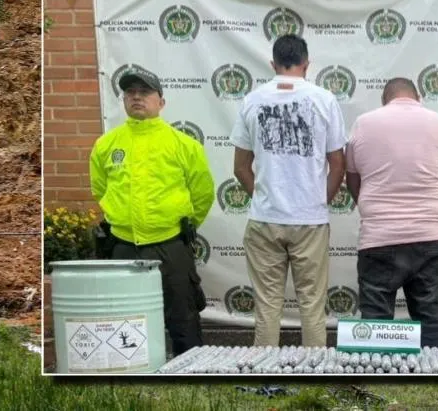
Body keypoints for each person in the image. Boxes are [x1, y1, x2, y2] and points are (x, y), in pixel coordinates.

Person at [230, 34, 347, 348]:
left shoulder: (252, 100)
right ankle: (314, 375)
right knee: (312, 303)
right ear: (307, 64)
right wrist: (320, 201)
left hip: (265, 219)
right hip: (310, 220)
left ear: (273, 64)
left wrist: (265, 197)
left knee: (267, 305)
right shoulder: (324, 99)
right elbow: (338, 164)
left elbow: (240, 167)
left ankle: (266, 373)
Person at [90, 68, 215, 356]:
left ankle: (193, 377)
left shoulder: (184, 145)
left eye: (144, 92)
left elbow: (203, 193)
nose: (136, 97)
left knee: (183, 317)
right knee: (124, 318)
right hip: (121, 246)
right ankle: (130, 376)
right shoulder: (107, 145)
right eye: (130, 92)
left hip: (170, 245)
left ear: (161, 101)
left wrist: (182, 223)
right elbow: (101, 189)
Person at [344, 77, 438, 347]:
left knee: (375, 320)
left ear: (385, 100)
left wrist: (375, 210)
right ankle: (433, 382)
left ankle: (374, 381)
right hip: (430, 236)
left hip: (379, 237)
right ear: (418, 97)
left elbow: (352, 180)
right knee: (430, 319)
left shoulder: (364, 123)